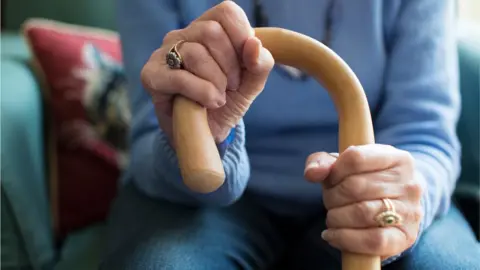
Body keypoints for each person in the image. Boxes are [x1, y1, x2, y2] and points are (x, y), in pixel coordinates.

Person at [100, 0, 480, 269]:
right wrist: (198, 140)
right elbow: (150, 136)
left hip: (362, 191)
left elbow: (424, 131)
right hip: (208, 206)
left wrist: (393, 199)